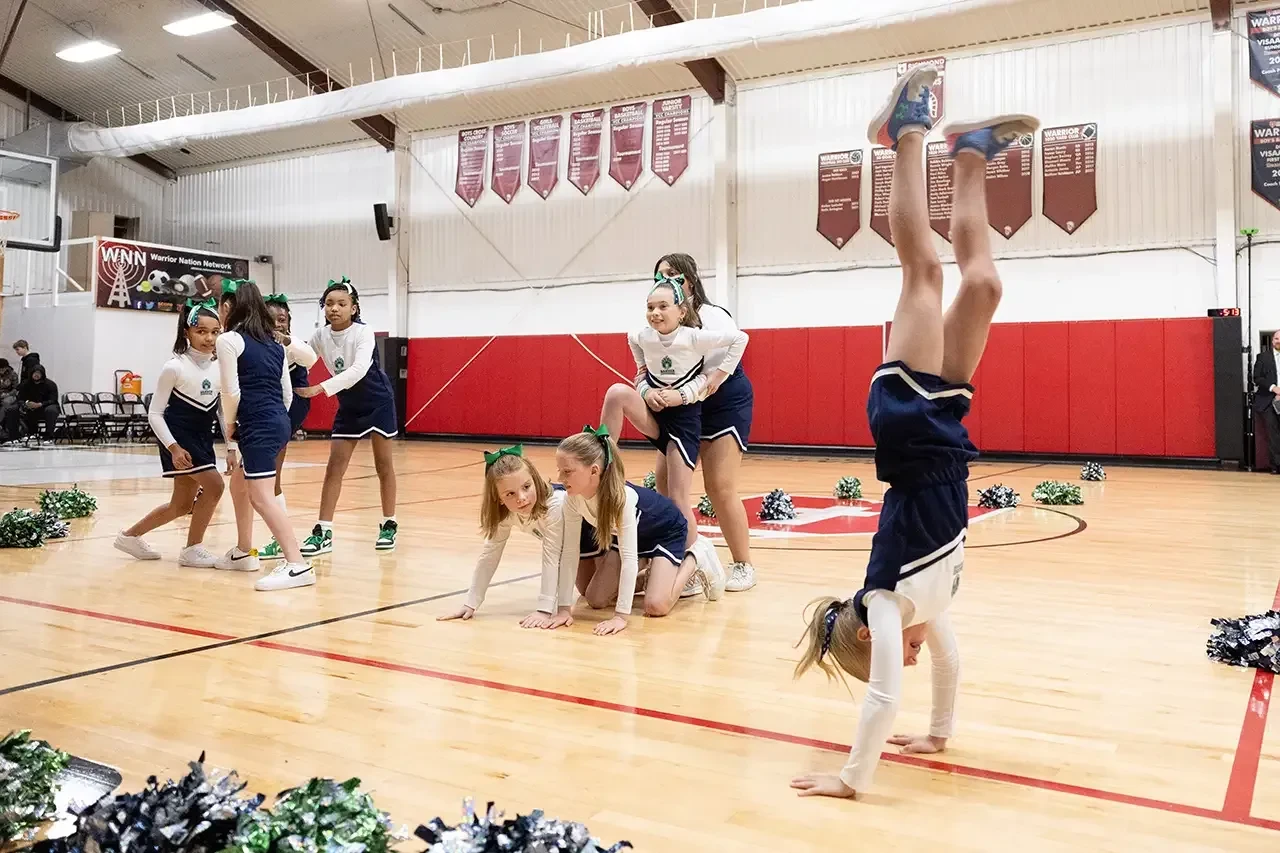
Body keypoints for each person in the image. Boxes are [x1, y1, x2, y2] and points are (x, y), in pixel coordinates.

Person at [790, 67, 1038, 799]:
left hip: (905, 424)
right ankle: (969, 154)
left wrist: (850, 777)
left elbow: (879, 699)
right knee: (986, 285)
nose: (921, 654)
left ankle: (903, 132)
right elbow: (952, 666)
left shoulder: (887, 603)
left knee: (924, 273)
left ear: (873, 637)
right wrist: (940, 731)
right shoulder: (926, 612)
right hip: (947, 435)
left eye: (905, 654)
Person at [599, 276, 746, 591]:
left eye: (663, 306)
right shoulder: (642, 336)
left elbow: (740, 339)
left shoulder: (694, 337)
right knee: (616, 393)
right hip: (656, 414)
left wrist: (697, 390)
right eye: (650, 307)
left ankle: (698, 559)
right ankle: (606, 467)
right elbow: (636, 354)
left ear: (682, 311)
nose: (655, 313)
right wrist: (644, 388)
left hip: (683, 423)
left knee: (678, 497)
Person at [652, 254, 759, 594]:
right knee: (666, 483)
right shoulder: (659, 321)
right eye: (658, 275)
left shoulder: (713, 316)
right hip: (686, 407)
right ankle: (688, 565)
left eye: (671, 274)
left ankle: (743, 564)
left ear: (690, 280)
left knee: (719, 485)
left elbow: (734, 348)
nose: (664, 279)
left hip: (723, 401)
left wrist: (701, 386)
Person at [555, 426, 725, 635]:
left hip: (664, 532)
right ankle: (654, 576)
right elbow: (570, 553)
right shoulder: (572, 499)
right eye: (559, 471)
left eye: (567, 471)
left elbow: (629, 559)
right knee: (596, 599)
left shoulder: (622, 500)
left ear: (594, 470)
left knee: (656, 606)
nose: (560, 478)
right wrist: (564, 609)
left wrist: (620, 616)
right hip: (630, 538)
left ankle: (697, 555)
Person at [215, 279, 314, 591]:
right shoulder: (274, 342)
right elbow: (286, 393)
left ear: (228, 307)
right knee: (239, 485)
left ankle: (297, 564)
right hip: (277, 420)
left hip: (256, 421)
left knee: (261, 496)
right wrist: (274, 420)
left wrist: (231, 425)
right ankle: (244, 552)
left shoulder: (229, 339)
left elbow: (230, 392)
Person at [114, 299, 226, 567]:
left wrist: (232, 447)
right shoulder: (174, 367)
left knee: (181, 505)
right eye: (201, 331)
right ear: (186, 331)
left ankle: (130, 537)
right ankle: (192, 548)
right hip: (179, 440)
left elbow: (222, 412)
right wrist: (173, 447)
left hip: (203, 439)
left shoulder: (221, 366)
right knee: (215, 486)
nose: (209, 338)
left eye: (215, 332)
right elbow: (154, 413)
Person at [294, 277, 399, 556]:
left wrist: (320, 388)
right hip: (349, 406)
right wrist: (280, 345)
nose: (334, 309)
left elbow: (358, 369)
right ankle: (323, 531)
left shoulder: (363, 333)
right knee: (334, 468)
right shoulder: (319, 336)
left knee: (383, 466)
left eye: (342, 303)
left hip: (378, 402)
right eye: (329, 304)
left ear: (354, 308)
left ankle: (389, 523)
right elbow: (301, 356)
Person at [437, 445, 574, 628]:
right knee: (594, 596)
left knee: (598, 598)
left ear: (534, 479)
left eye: (526, 487)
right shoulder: (506, 514)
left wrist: (544, 609)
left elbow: (552, 556)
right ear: (499, 498)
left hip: (601, 543)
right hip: (579, 554)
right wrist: (471, 602)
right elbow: (489, 556)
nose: (521, 498)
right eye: (510, 493)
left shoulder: (554, 504)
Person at [257, 293, 319, 560]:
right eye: (271, 320)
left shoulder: (293, 345)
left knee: (272, 475)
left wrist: (287, 340)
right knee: (266, 477)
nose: (277, 325)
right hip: (268, 406)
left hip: (289, 407)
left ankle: (280, 540)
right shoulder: (256, 343)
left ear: (288, 321)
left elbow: (310, 358)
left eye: (281, 319)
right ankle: (278, 538)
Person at [1253, 329, 1280, 474]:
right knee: (1273, 434)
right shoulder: (1263, 357)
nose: (1279, 341)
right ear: (1272, 341)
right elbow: (1257, 378)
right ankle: (1276, 466)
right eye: (1276, 339)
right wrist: (1274, 388)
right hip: (1268, 401)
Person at [8, 365, 59, 442]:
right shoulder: (25, 384)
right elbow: (20, 398)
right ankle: (14, 437)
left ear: (43, 374)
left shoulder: (50, 384)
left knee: (51, 410)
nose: (36, 375)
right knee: (12, 409)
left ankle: (49, 437)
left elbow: (53, 400)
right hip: (28, 407)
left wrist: (40, 404)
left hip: (45, 406)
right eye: (34, 373)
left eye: (39, 373)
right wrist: (27, 403)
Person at [0, 358, 18, 442]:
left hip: (10, 395)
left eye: (3, 369)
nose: (1, 371)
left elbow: (16, 389)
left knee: (5, 403)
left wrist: (7, 394)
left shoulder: (13, 374)